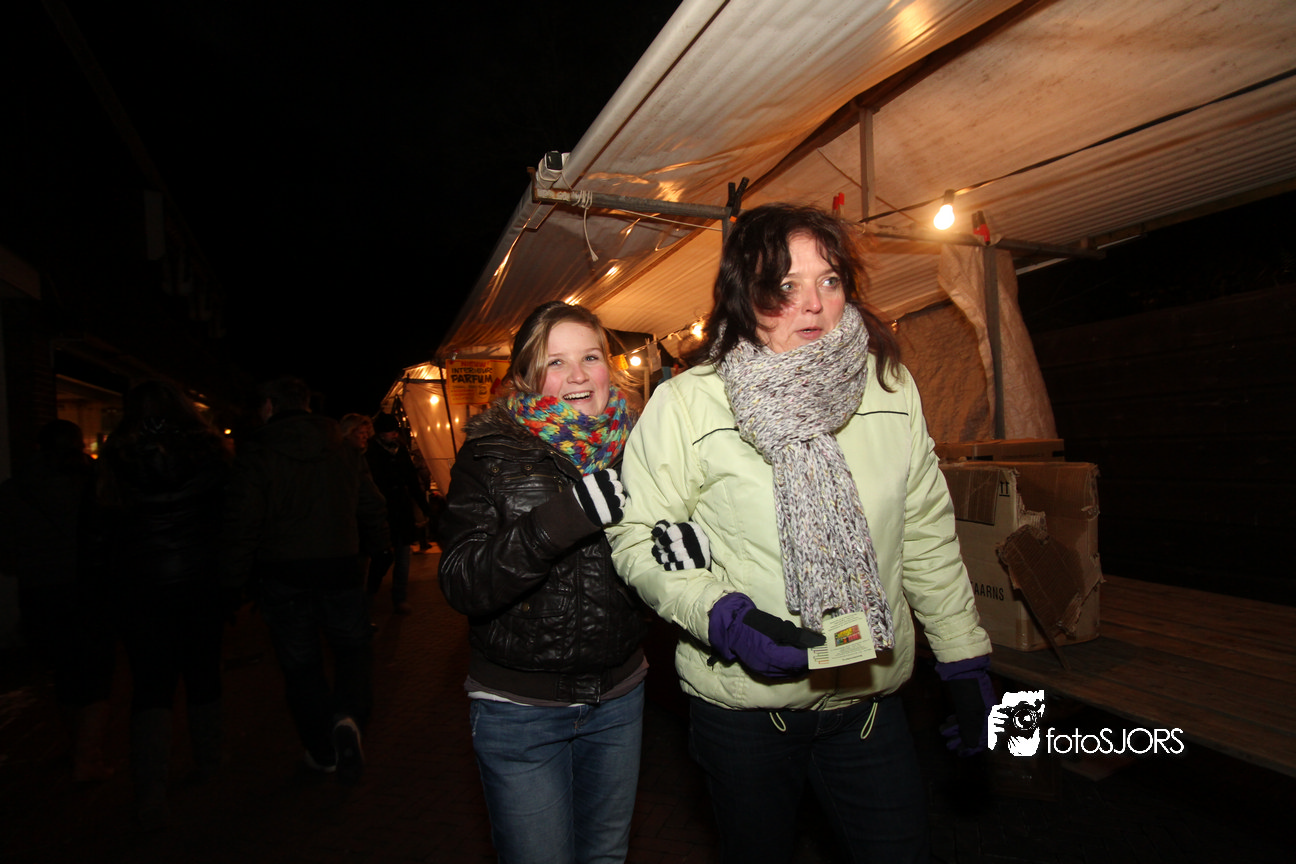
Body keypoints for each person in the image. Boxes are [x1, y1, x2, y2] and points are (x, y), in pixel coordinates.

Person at [607, 203, 995, 864]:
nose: (813, 303)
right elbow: (640, 536)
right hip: (747, 712)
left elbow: (925, 535)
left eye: (830, 280)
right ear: (744, 295)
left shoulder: (889, 388)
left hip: (869, 701)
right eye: (785, 286)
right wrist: (721, 616)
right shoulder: (689, 403)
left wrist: (963, 660)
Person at [438, 301, 648, 864]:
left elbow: (643, 570)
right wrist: (556, 522)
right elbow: (461, 580)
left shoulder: (642, 448)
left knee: (606, 856)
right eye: (556, 362)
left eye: (591, 357)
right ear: (529, 376)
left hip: (619, 697)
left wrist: (682, 550)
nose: (578, 375)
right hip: (519, 708)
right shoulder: (489, 452)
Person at [222, 376, 388, 783]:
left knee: (301, 667)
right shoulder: (343, 448)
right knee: (352, 651)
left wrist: (233, 581)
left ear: (269, 406)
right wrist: (377, 546)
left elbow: (242, 523)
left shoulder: (257, 453)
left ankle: (321, 750)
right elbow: (371, 504)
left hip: (283, 573)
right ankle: (348, 716)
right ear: (307, 404)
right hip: (341, 567)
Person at [97, 381, 232, 829]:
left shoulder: (117, 457)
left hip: (141, 586)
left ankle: (151, 791)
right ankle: (209, 760)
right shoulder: (210, 453)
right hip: (200, 581)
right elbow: (227, 519)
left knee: (151, 685)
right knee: (203, 672)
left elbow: (100, 530)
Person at [0, 420, 115, 784]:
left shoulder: (13, 489)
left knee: (64, 672)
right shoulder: (92, 486)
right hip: (88, 589)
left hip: (40, 591)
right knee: (95, 674)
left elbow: (6, 555)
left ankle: (75, 747)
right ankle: (88, 756)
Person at [365, 412, 430, 613]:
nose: (394, 434)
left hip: (401, 510)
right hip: (383, 511)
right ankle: (369, 596)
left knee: (403, 555)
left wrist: (424, 507)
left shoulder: (399, 450)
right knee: (382, 556)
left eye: (395, 431)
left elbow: (411, 479)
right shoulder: (371, 452)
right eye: (389, 431)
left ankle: (399, 597)